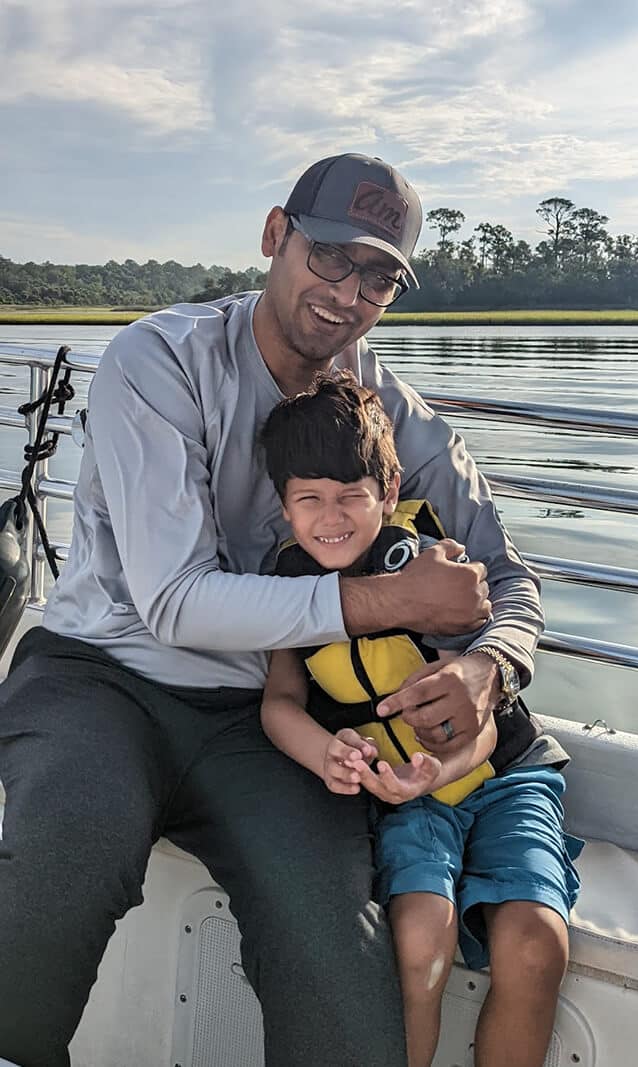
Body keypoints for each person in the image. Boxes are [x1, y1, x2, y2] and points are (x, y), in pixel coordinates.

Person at [0, 153, 545, 1067]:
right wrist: (389, 600)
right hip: (104, 677)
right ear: (274, 237)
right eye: (330, 255)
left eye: (380, 274)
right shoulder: (159, 360)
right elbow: (171, 601)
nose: (348, 292)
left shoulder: (385, 415)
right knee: (63, 861)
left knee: (336, 946)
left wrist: (488, 668)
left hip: (268, 714)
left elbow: (511, 579)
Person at [259, 372, 579, 1067]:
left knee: (534, 944)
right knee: (417, 940)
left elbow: (485, 716)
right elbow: (280, 701)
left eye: (352, 495)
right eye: (308, 499)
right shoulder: (284, 582)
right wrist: (327, 754)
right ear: (284, 507)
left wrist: (444, 767)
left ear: (391, 490)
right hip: (402, 790)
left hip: (500, 774)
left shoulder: (428, 565)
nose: (331, 516)